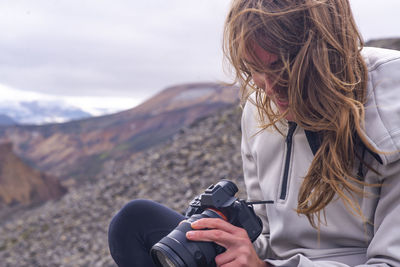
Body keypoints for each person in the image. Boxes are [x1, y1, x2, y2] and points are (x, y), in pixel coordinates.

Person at [108, 0, 400, 266]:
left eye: (282, 68)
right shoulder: (259, 107)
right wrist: (230, 241)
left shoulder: (391, 104)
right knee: (134, 222)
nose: (269, 88)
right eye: (254, 69)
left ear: (326, 54)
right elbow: (269, 237)